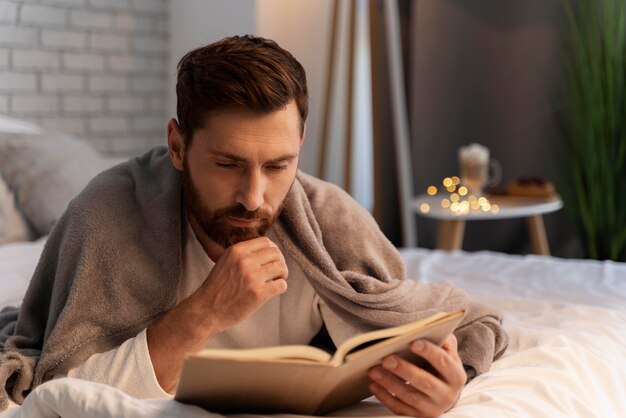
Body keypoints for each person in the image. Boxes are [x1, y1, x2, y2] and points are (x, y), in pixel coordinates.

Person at [0, 35, 508, 417]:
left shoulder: (326, 218)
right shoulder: (105, 217)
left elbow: (460, 321)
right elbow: (58, 394)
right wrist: (203, 315)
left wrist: (446, 377)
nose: (254, 197)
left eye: (278, 165)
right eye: (227, 164)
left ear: (301, 144)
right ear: (177, 146)